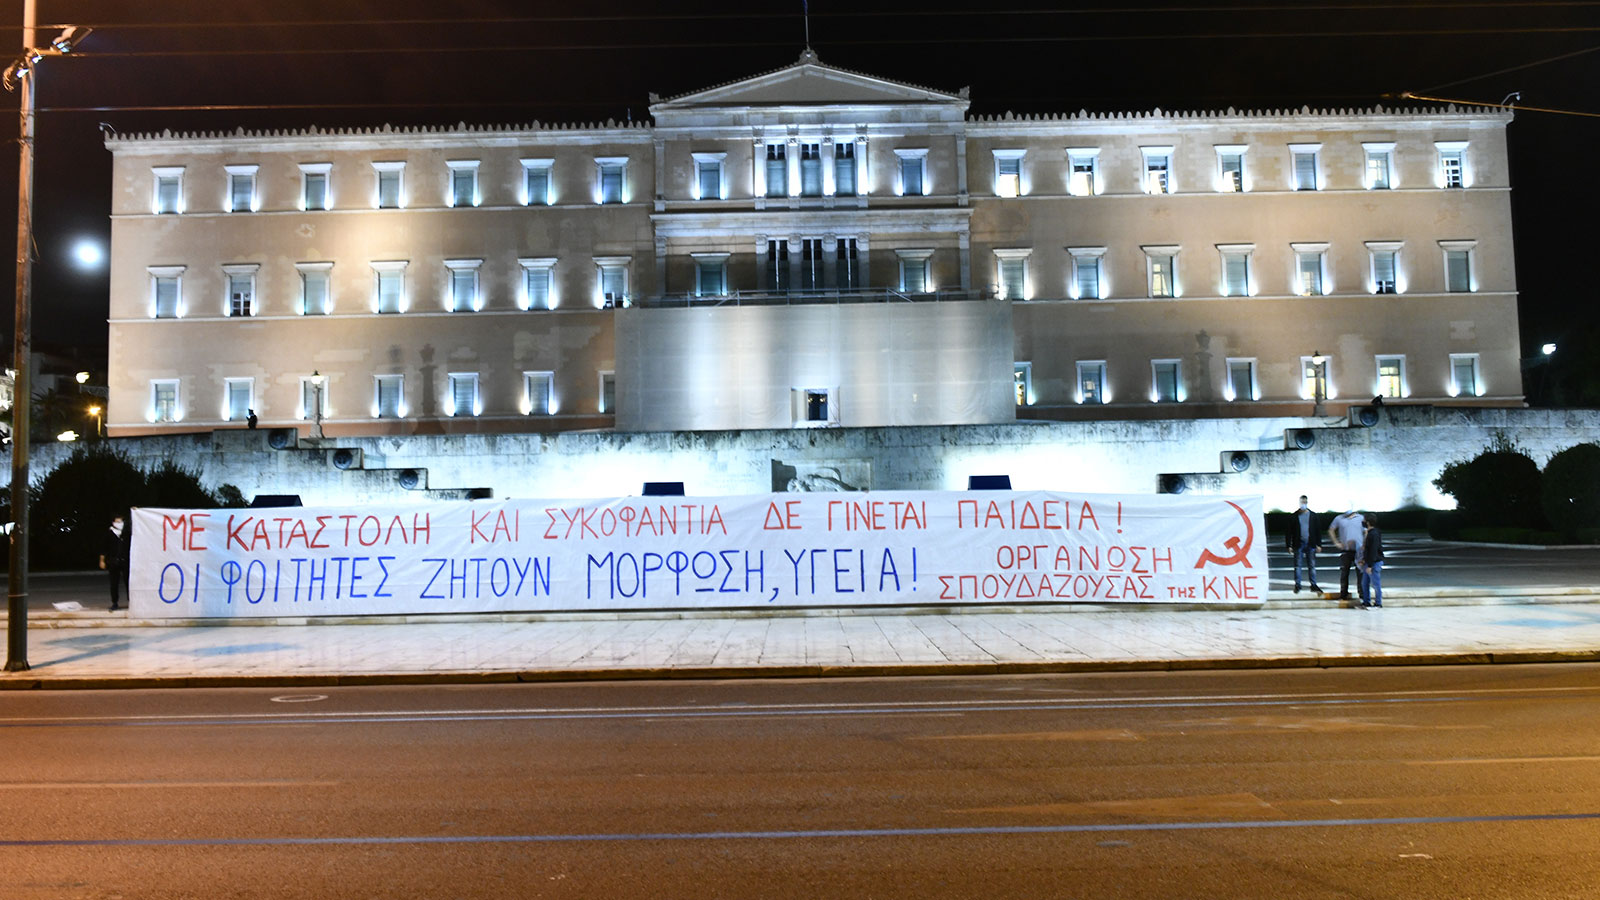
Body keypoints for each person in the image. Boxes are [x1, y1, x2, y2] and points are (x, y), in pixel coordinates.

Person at [1327, 510, 1365, 605]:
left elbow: (1367, 531)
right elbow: (1331, 529)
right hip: (1346, 550)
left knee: (1360, 572)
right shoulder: (1339, 518)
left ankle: (1362, 594)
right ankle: (1343, 594)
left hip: (1359, 550)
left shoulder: (1361, 518)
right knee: (1344, 572)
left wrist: (1365, 544)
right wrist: (1336, 542)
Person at [1285, 495, 1321, 594]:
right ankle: (1298, 585)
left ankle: (1313, 585)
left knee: (1312, 565)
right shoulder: (1294, 516)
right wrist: (1289, 545)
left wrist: (1319, 544)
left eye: (1305, 502)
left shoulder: (1313, 516)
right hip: (1298, 544)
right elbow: (1289, 532)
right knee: (1298, 566)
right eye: (1302, 502)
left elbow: (1317, 530)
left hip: (1311, 543)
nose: (1303, 504)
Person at [100, 513, 131, 612]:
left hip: (126, 561)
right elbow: (103, 548)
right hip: (113, 561)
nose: (119, 523)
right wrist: (102, 560)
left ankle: (131, 601)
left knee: (128, 582)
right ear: (113, 522)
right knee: (114, 583)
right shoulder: (109, 533)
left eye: (121, 521)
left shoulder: (127, 533)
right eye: (117, 521)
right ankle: (114, 602)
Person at [1358, 514, 1385, 609]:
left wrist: (1370, 565)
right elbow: (1368, 550)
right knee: (1364, 583)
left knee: (1375, 583)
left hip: (1374, 563)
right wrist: (1364, 560)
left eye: (1364, 520)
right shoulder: (1370, 533)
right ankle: (1366, 602)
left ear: (1368, 522)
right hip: (1368, 563)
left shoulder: (1374, 534)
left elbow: (1373, 550)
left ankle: (1378, 603)